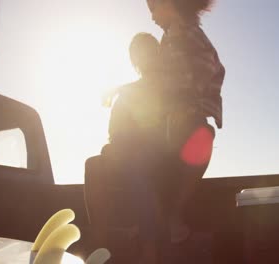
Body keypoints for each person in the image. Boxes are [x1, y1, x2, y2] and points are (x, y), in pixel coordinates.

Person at [146, 0, 226, 244]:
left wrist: (190, 101)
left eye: (154, 9)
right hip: (167, 119)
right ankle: (162, 217)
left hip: (188, 114)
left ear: (169, 4)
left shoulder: (190, 34)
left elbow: (211, 68)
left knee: (200, 136)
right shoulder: (169, 38)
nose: (153, 17)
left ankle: (173, 214)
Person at [97, 32, 164, 264]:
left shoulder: (166, 83)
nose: (141, 59)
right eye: (137, 55)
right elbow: (115, 131)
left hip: (158, 149)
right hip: (128, 146)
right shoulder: (128, 90)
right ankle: (101, 239)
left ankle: (149, 246)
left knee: (138, 165)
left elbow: (157, 123)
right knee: (94, 165)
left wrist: (118, 89)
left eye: (146, 52)